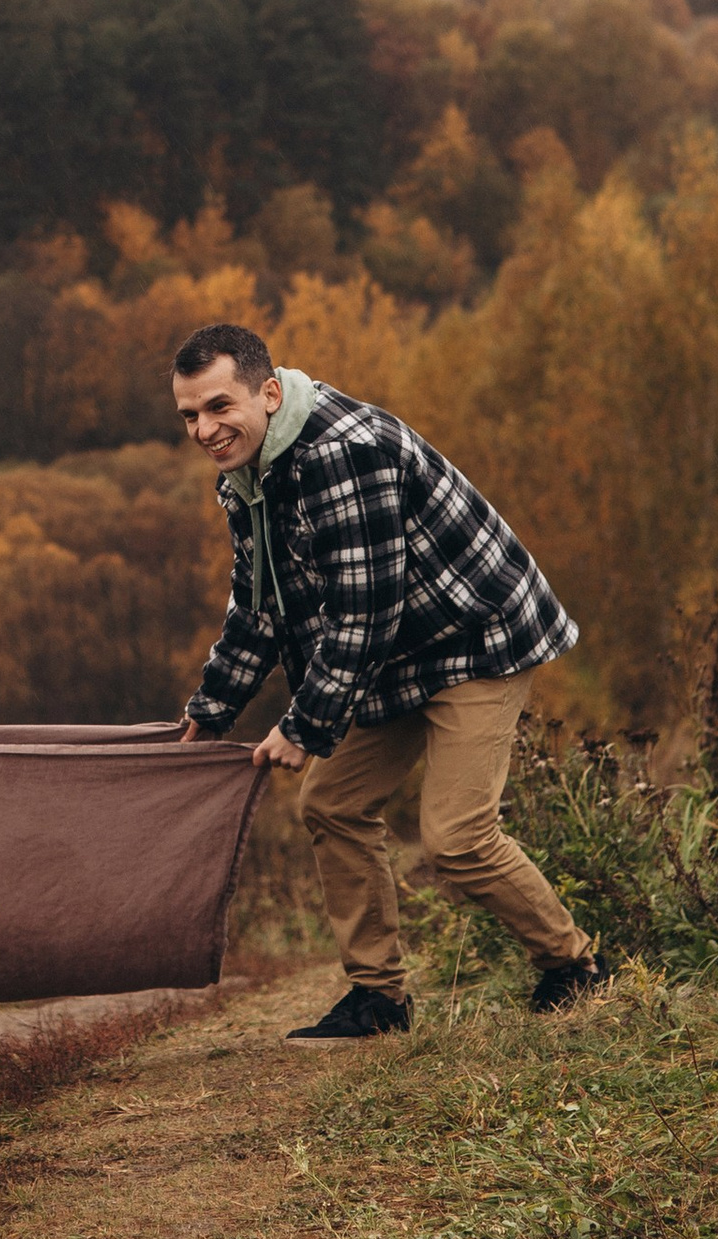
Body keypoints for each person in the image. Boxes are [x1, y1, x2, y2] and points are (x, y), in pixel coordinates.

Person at [170, 324, 608, 1038]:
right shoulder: (247, 474)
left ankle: (576, 968)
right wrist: (212, 709)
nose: (205, 429)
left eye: (220, 406)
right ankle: (379, 1000)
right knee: (332, 804)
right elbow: (259, 604)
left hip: (474, 637)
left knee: (457, 837)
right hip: (395, 652)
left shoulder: (343, 453)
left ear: (269, 393)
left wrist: (305, 726)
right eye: (190, 415)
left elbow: (365, 611)